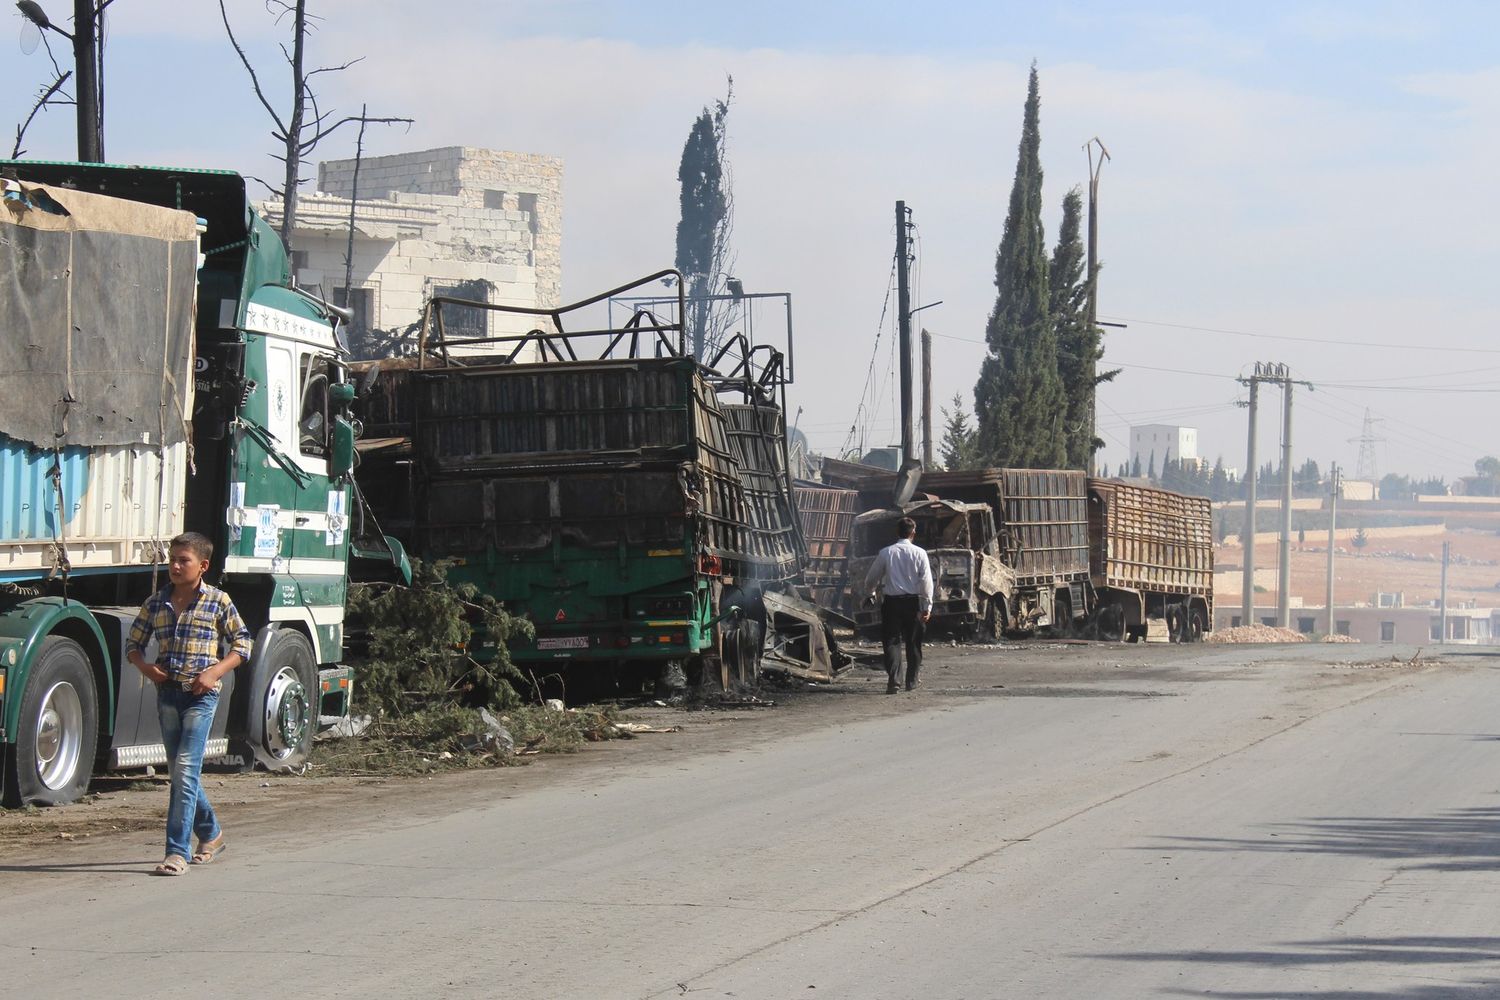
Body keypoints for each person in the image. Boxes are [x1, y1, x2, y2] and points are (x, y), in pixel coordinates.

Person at [126, 532, 254, 876]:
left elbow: (243, 644)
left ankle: (176, 852)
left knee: (184, 769)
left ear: (203, 565)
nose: (176, 566)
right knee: (181, 773)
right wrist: (146, 668)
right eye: (172, 560)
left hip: (202, 696)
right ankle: (211, 834)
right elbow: (133, 643)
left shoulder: (218, 601)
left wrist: (215, 672)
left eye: (184, 560)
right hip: (168, 693)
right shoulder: (156, 603)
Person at [863, 516, 934, 694]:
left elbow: (871, 578)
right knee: (913, 642)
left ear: (897, 532)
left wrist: (870, 593)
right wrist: (927, 606)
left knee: (892, 642)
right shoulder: (920, 553)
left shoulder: (886, 552)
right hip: (913, 603)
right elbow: (926, 582)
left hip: (892, 604)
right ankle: (912, 681)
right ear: (913, 533)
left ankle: (894, 680)